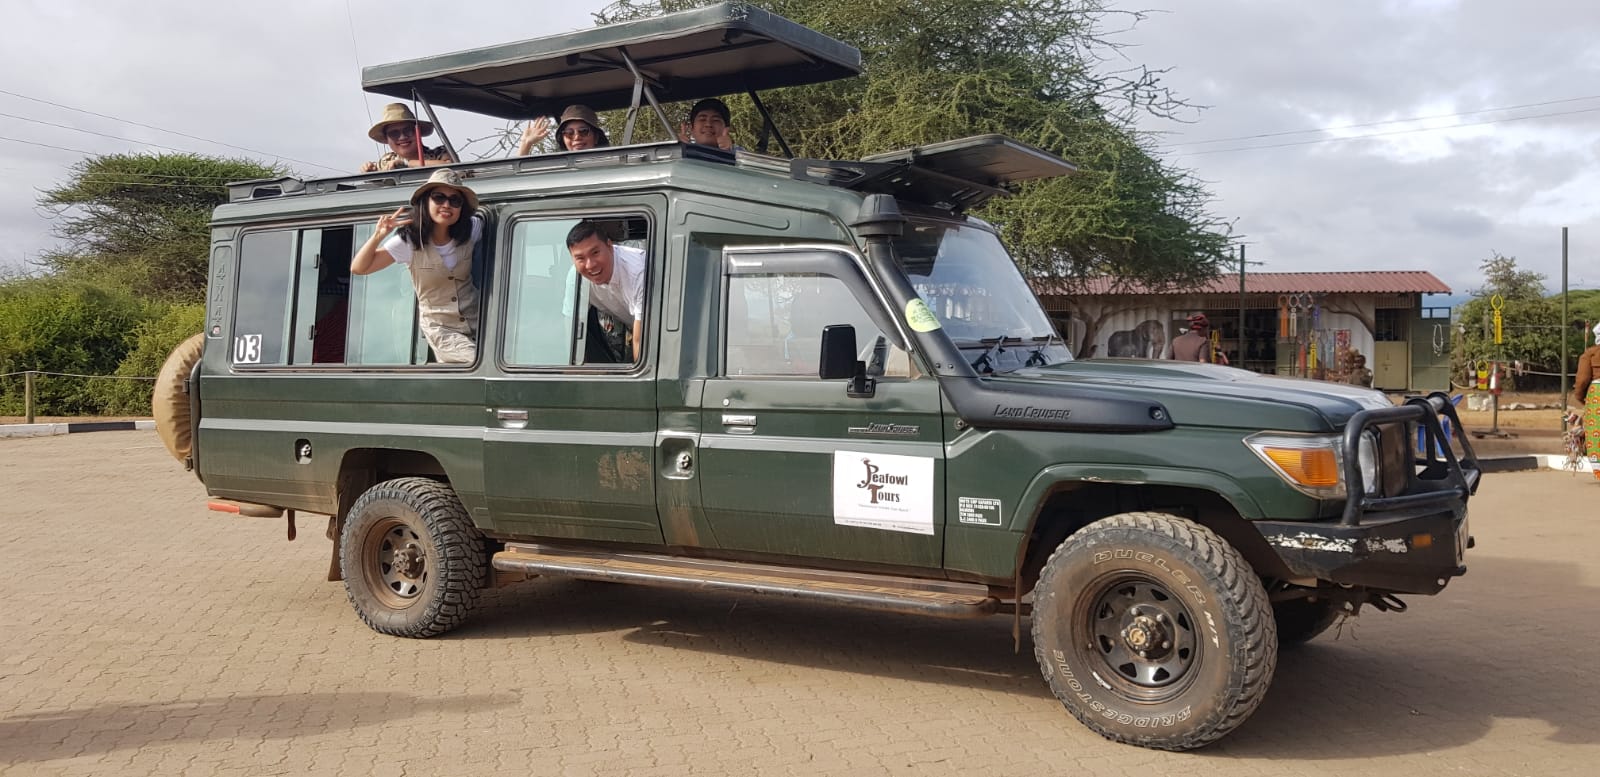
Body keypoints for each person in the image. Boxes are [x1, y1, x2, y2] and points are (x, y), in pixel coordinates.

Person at [350, 169, 482, 364]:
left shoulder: (472, 229)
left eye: (455, 201)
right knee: (478, 363)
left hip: (480, 320)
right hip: (443, 330)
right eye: (439, 198)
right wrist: (379, 235)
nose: (447, 205)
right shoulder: (409, 241)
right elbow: (359, 268)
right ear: (426, 201)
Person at [567, 220, 645, 361]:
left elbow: (640, 339)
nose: (590, 265)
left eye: (595, 253)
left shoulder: (637, 271)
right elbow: (570, 330)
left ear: (610, 246)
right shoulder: (576, 276)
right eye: (580, 258)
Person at [360, 103, 452, 172]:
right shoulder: (386, 160)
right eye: (394, 133)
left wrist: (406, 164)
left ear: (418, 132)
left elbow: (453, 168)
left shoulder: (440, 153)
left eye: (408, 130)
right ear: (386, 139)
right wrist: (368, 169)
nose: (402, 137)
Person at [517, 105, 610, 155]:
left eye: (583, 131)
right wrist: (526, 143)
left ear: (596, 137)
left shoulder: (613, 163)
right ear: (563, 139)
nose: (577, 137)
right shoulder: (557, 169)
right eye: (569, 133)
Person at [1571, 321, 1600, 482]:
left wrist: (1581, 397)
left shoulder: (1590, 354)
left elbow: (1582, 380)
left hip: (1597, 396)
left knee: (1597, 432)